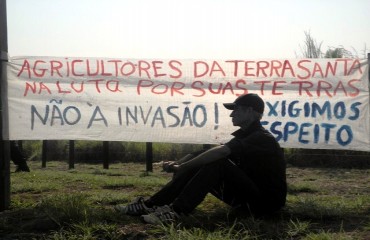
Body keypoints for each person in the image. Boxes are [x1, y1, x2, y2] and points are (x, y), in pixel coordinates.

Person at [114, 93, 287, 225]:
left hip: (265, 204)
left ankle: (176, 211)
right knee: (204, 156)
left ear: (250, 111)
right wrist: (179, 164)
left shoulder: (261, 137)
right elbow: (207, 152)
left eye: (236, 109)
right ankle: (151, 204)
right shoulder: (247, 135)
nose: (231, 115)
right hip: (249, 197)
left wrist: (185, 167)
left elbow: (220, 153)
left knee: (217, 162)